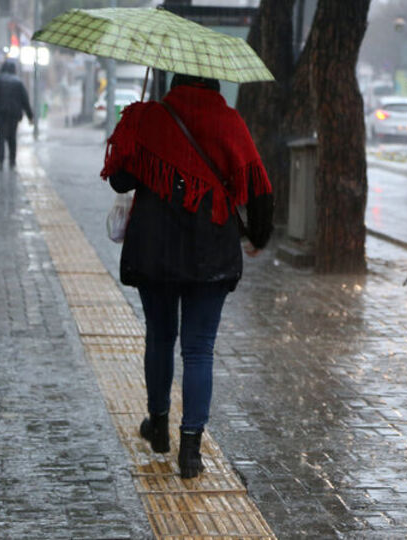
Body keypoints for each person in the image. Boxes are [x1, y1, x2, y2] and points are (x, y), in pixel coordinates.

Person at [101, 74, 273, 479]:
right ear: (213, 84)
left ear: (173, 81)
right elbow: (257, 186)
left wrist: (134, 133)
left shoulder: (149, 117)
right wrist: (259, 236)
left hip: (154, 250)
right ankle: (191, 449)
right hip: (210, 252)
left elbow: (119, 179)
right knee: (199, 350)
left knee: (160, 337)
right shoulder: (229, 123)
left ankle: (157, 426)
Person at [0, 60, 33, 170]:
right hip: (13, 114)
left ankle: (0, 161)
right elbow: (25, 100)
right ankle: (12, 161)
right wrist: (30, 116)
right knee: (12, 137)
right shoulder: (18, 83)